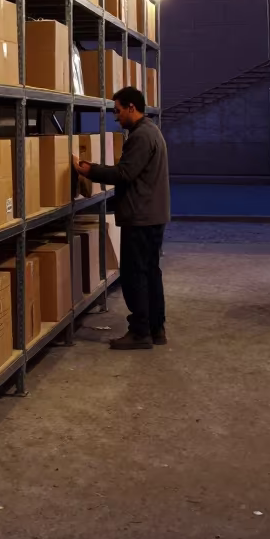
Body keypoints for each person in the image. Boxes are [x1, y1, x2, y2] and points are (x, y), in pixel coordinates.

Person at [72, 86, 170, 350]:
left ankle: (140, 332)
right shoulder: (151, 131)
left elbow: (124, 174)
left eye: (117, 111)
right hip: (152, 214)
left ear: (131, 107)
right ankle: (155, 328)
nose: (116, 117)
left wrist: (88, 169)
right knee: (150, 272)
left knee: (134, 274)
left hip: (141, 217)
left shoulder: (140, 136)